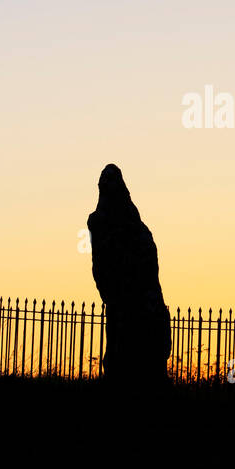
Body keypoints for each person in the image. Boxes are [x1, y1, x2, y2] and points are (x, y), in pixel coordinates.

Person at [87, 164, 171, 389]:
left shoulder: (129, 227)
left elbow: (104, 269)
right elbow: (103, 269)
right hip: (130, 304)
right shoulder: (122, 225)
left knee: (132, 362)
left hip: (137, 304)